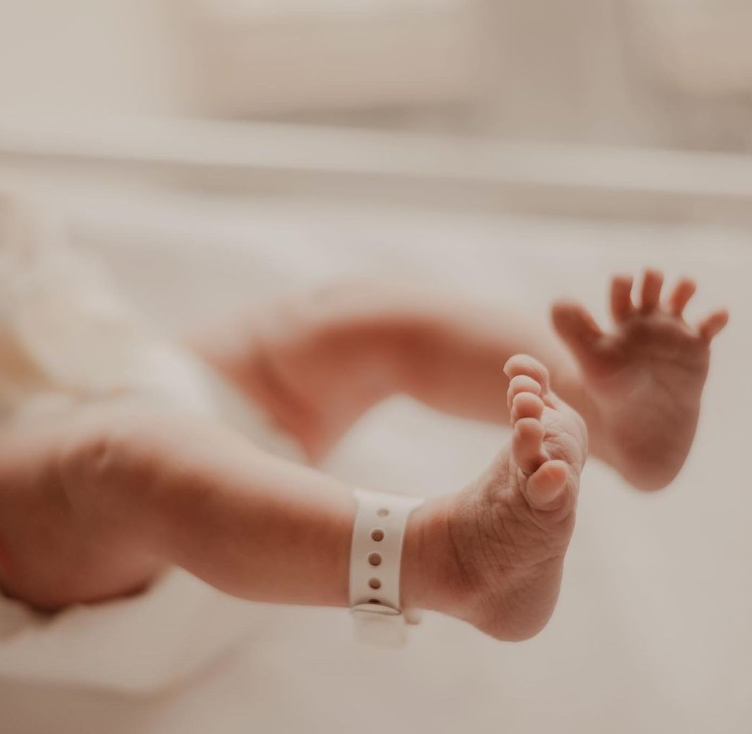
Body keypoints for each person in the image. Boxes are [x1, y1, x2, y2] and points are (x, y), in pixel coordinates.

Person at [0, 195, 728, 642]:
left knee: (353, 317)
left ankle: (600, 412)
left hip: (109, 368)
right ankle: (443, 559)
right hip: (38, 512)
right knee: (127, 461)